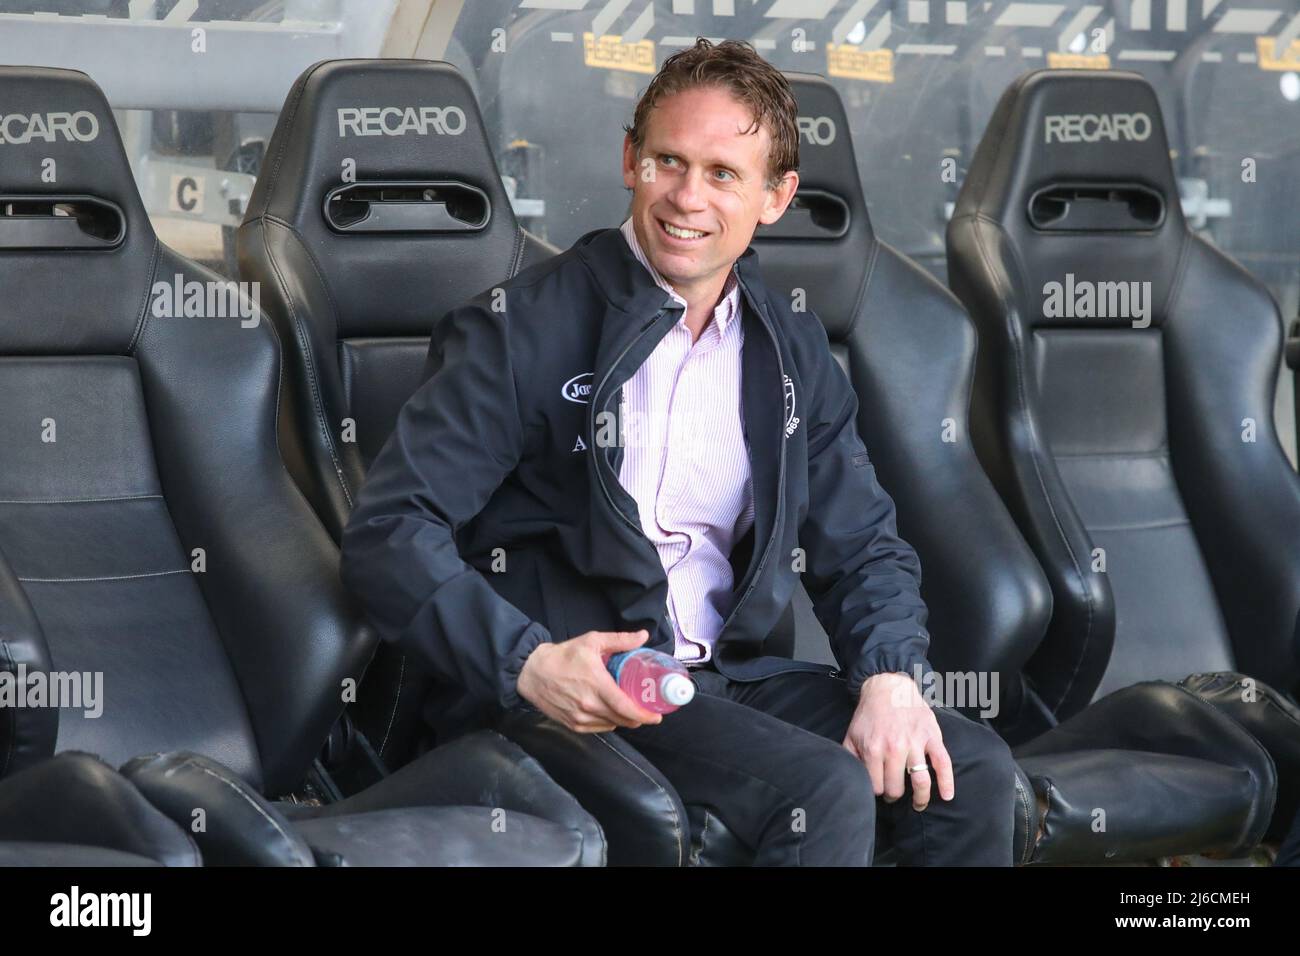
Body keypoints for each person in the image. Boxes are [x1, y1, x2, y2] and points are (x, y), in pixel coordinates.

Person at [341, 37, 1016, 865]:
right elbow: (389, 536)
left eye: (724, 174)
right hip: (583, 693)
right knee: (823, 787)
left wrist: (890, 676)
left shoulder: (791, 349)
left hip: (727, 682)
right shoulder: (518, 332)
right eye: (668, 160)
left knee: (968, 770)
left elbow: (863, 543)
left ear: (776, 196)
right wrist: (526, 663)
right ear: (630, 159)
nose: (687, 197)